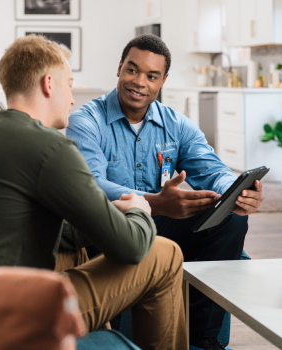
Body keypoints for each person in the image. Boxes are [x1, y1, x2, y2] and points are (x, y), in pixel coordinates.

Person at [0, 35, 187, 350]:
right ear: (49, 84)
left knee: (76, 245)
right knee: (165, 254)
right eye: (69, 84)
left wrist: (109, 211)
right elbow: (131, 248)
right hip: (2, 318)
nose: (73, 99)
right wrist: (142, 208)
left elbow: (51, 226)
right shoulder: (49, 146)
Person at [66, 34, 264, 350]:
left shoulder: (177, 125)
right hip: (108, 227)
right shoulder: (86, 120)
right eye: (132, 70)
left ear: (163, 80)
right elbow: (92, 185)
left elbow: (212, 169)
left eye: (151, 76)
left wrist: (235, 192)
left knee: (232, 219)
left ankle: (203, 341)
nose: (139, 82)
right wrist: (154, 202)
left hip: (160, 224)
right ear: (119, 68)